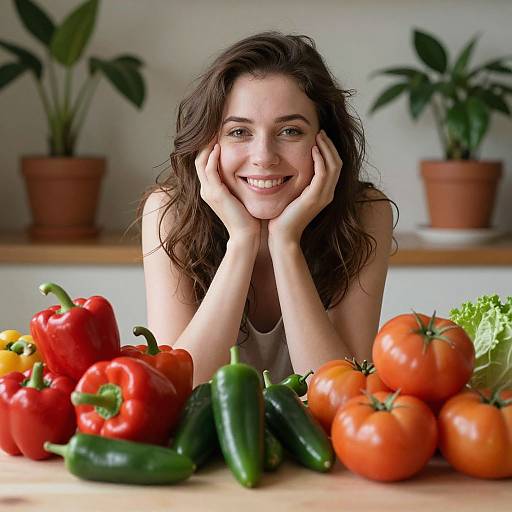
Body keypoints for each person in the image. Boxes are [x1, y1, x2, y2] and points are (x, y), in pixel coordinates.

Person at [138, 31, 396, 387]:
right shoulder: (168, 211)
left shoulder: (365, 213)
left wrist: (286, 243)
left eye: (290, 131)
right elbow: (180, 387)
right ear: (208, 144)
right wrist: (242, 241)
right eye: (239, 132)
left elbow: (344, 396)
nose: (263, 157)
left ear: (325, 142)